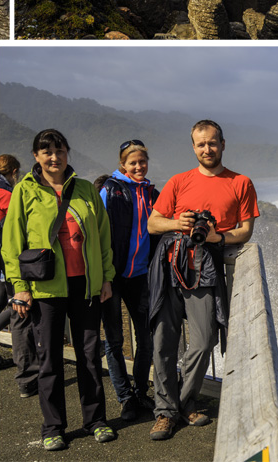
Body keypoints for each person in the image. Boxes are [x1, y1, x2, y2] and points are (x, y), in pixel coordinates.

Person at [2, 128, 117, 451]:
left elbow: (103, 236)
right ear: (36, 157)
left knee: (90, 356)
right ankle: (53, 427)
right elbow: (11, 244)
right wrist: (20, 288)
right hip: (45, 288)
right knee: (49, 359)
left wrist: (106, 278)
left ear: (68, 153)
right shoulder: (25, 192)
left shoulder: (84, 189)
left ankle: (96, 420)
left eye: (60, 150)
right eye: (46, 151)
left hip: (86, 285)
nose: (54, 157)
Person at [145, 119, 258, 441]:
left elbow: (246, 230)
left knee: (205, 339)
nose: (206, 149)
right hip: (170, 266)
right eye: (200, 144)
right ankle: (165, 413)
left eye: (212, 142)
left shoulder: (241, 183)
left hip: (206, 266)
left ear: (222, 144)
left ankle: (180, 403)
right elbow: (153, 224)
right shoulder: (179, 182)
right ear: (194, 147)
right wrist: (176, 223)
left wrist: (215, 236)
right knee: (163, 341)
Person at [96, 139, 159, 422]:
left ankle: (141, 391)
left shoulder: (152, 193)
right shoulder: (109, 190)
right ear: (122, 165)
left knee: (146, 338)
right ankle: (125, 398)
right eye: (132, 163)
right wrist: (103, 276)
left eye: (141, 162)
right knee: (114, 339)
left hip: (142, 275)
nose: (138, 167)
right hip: (113, 275)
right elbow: (96, 233)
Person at [0, 153, 39, 399]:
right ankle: (28, 379)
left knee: (13, 312)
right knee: (20, 318)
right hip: (11, 268)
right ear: (14, 173)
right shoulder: (8, 197)